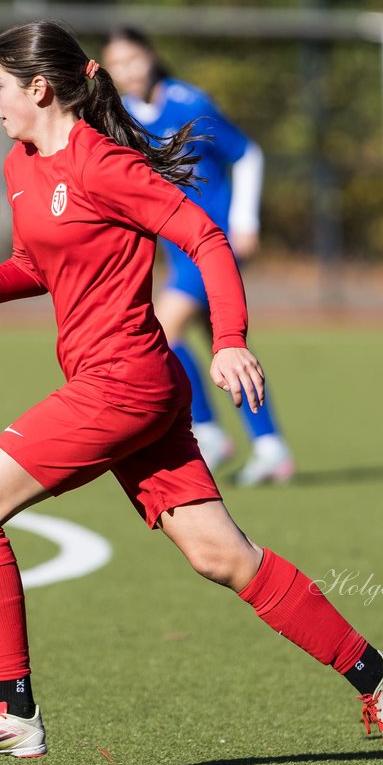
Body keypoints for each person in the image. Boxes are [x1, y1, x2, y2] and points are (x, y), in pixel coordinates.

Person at [0, 20, 383, 765]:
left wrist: (234, 339)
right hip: (131, 387)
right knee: (222, 556)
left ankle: (11, 710)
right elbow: (32, 262)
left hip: (121, 385)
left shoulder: (103, 163)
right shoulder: (24, 166)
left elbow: (206, 239)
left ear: (39, 88)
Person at [101, 26, 294, 486]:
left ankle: (208, 432)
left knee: (163, 331)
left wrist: (247, 219)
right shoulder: (123, 114)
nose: (127, 70)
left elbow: (247, 154)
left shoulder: (190, 102)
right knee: (225, 345)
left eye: (133, 59)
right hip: (177, 243)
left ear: (151, 56)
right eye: (116, 64)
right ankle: (271, 447)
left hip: (213, 241)